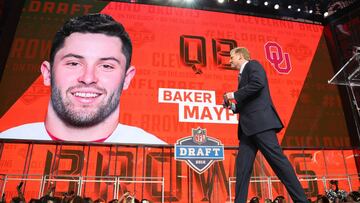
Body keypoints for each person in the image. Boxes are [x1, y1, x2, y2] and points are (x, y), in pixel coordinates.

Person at [0, 14, 165, 145]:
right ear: (47, 73)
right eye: (73, 63)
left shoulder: (158, 154)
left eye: (106, 66)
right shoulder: (5, 145)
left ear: (127, 78)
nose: (88, 78)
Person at [223, 47, 307, 203]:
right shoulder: (241, 75)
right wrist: (233, 106)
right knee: (242, 169)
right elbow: (248, 100)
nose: (229, 60)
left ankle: (302, 201)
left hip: (260, 124)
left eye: (231, 57)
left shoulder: (253, 65)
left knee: (278, 163)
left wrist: (233, 95)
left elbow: (258, 84)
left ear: (241, 56)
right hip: (247, 130)